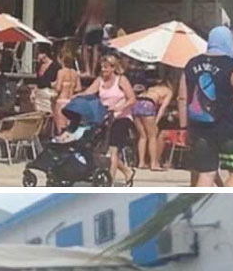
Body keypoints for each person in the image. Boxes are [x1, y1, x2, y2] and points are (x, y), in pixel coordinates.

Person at [179, 25, 233, 187]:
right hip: (227, 128)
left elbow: (182, 97)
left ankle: (201, 209)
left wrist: (184, 127)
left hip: (199, 127)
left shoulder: (191, 64)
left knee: (206, 173)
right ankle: (224, 202)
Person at [80, 54, 137, 186]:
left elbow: (132, 99)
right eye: (102, 68)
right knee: (96, 149)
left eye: (106, 68)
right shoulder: (100, 80)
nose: (103, 70)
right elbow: (88, 93)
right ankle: (127, 171)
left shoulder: (121, 80)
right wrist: (74, 97)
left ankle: (109, 181)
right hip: (106, 118)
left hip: (121, 117)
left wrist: (118, 107)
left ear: (113, 68)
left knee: (113, 149)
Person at [133, 73, 175, 171]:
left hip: (137, 102)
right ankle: (153, 163)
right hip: (148, 104)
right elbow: (162, 108)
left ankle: (141, 162)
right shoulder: (168, 91)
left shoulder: (153, 88)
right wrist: (156, 120)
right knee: (153, 135)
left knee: (142, 136)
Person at [75, 0, 106, 76]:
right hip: (99, 27)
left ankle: (88, 70)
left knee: (85, 48)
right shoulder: (102, 3)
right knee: (96, 49)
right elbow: (103, 17)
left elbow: (86, 15)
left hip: (90, 27)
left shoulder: (91, 2)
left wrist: (79, 27)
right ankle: (93, 72)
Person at [52, 43, 81, 132]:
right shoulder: (75, 73)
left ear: (61, 59)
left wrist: (53, 85)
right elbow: (78, 88)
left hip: (62, 101)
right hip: (71, 101)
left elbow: (58, 88)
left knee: (61, 129)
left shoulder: (61, 72)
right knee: (70, 130)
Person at [33, 44, 61, 115]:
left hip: (48, 93)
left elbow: (57, 80)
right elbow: (38, 81)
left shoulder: (55, 66)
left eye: (39, 53)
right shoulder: (39, 66)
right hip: (39, 93)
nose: (38, 55)